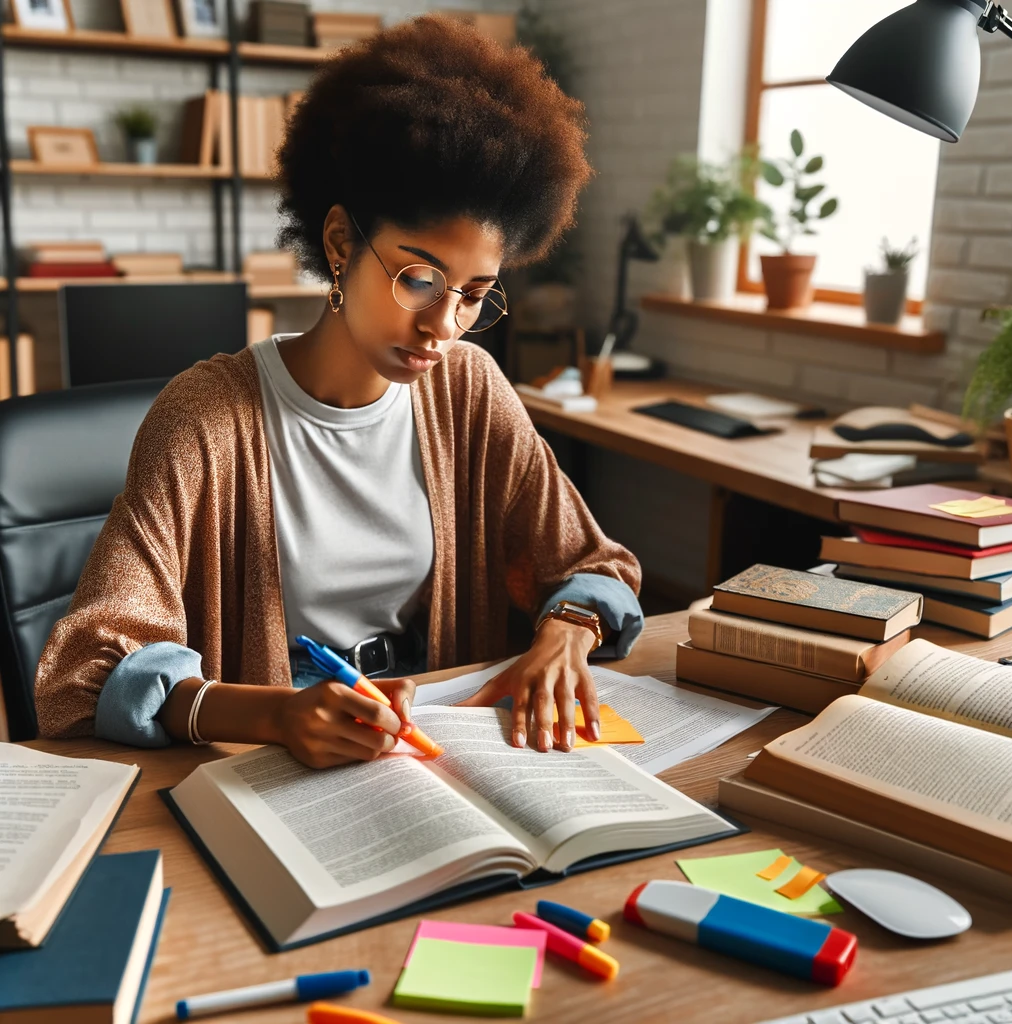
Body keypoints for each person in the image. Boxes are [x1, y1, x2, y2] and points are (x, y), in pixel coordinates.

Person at [34, 14, 643, 768]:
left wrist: (565, 633)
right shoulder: (206, 419)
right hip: (269, 764)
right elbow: (82, 673)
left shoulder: (469, 389)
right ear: (339, 244)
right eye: (419, 278)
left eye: (474, 292)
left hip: (433, 752)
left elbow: (592, 564)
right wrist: (278, 716)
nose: (445, 326)